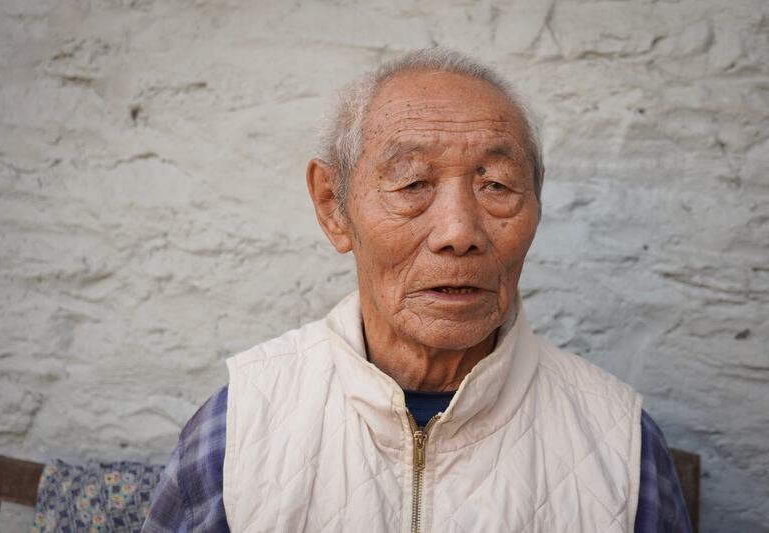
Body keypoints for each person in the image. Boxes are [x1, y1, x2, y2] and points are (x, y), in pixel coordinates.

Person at [142, 48, 692, 533]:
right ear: (334, 206)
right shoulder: (240, 425)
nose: (459, 233)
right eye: (412, 183)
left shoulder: (618, 441)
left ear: (536, 203)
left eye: (496, 186)